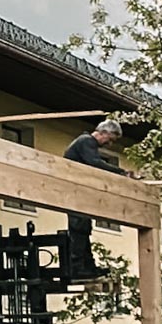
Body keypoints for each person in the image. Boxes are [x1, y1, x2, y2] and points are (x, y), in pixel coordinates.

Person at [64, 117, 122, 280]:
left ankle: (87, 267)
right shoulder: (86, 141)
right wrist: (120, 172)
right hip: (74, 192)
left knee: (83, 227)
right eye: (109, 140)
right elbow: (94, 163)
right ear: (103, 132)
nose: (108, 144)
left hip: (79, 191)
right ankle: (77, 267)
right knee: (79, 227)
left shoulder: (87, 144)